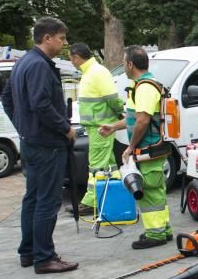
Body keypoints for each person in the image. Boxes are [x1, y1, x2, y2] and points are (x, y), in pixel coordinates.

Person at [1, 17, 79, 274]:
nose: (64, 43)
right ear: (47, 38)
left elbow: (7, 99)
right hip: (46, 144)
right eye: (61, 38)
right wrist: (65, 128)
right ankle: (44, 257)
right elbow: (41, 104)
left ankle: (29, 252)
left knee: (33, 199)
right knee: (47, 200)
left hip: (32, 141)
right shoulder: (38, 66)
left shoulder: (24, 62)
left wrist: (23, 127)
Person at [98, 46, 172, 249]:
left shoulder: (145, 87)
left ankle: (155, 234)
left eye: (124, 62)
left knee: (149, 191)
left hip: (148, 148)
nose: (123, 65)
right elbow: (133, 119)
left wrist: (130, 147)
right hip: (148, 147)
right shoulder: (140, 86)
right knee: (156, 191)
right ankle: (162, 230)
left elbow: (142, 121)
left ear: (130, 64)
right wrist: (114, 127)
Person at [69, 43, 123, 217]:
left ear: (76, 57)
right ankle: (114, 197)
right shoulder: (92, 72)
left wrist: (120, 115)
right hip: (99, 125)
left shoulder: (96, 72)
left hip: (101, 126)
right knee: (109, 165)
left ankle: (90, 202)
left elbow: (112, 99)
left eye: (70, 58)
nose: (70, 61)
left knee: (96, 166)